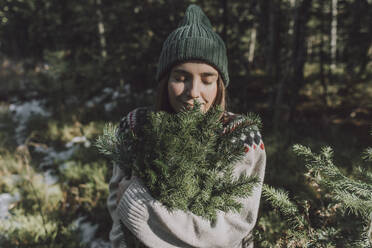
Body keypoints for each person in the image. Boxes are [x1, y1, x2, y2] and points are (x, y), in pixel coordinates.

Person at [107, 4, 266, 248]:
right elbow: (118, 219)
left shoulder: (240, 136)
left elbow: (225, 233)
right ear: (165, 81)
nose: (193, 92)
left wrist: (137, 204)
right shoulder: (136, 128)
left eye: (207, 79)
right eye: (180, 78)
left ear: (219, 85)